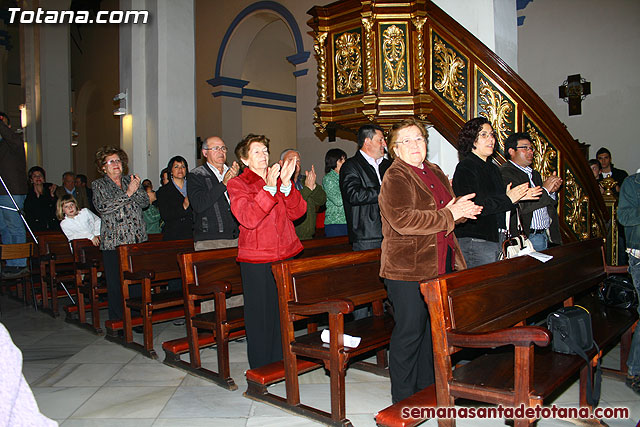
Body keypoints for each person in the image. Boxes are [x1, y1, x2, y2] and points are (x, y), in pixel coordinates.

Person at [379, 118, 481, 403]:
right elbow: (403, 219)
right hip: (407, 268)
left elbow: (444, 210)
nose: (415, 145)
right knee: (410, 333)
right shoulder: (396, 175)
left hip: (440, 260)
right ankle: (402, 399)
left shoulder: (433, 170)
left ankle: (425, 390)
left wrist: (459, 210)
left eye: (419, 138)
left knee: (431, 333)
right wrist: (450, 214)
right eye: (407, 140)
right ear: (395, 149)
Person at [227, 134, 306, 369]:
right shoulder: (238, 184)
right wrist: (270, 188)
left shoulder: (277, 179)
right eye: (257, 152)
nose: (264, 155)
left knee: (282, 314)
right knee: (260, 318)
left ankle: (282, 363)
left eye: (265, 151)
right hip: (257, 259)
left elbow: (298, 212)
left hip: (284, 255)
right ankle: (262, 368)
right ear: (244, 159)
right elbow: (248, 218)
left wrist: (285, 185)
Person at [452, 117, 541, 267]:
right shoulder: (466, 167)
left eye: (492, 134)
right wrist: (508, 199)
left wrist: (518, 197)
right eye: (484, 135)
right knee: (482, 288)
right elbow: (474, 207)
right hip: (477, 240)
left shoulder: (492, 168)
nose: (491, 139)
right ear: (472, 140)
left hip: (497, 238)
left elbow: (500, 203)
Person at [92, 146, 149, 321]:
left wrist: (135, 188)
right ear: (103, 167)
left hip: (136, 240)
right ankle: (118, 321)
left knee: (137, 283)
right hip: (113, 243)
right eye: (111, 161)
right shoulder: (99, 185)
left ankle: (137, 320)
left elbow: (145, 202)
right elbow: (104, 207)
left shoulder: (129, 180)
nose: (116, 164)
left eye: (118, 160)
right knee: (116, 284)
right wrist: (129, 192)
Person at [501, 133, 562, 251]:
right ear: (511, 151)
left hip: (544, 233)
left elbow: (547, 204)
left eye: (531, 148)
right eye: (524, 148)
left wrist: (552, 191)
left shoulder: (534, 174)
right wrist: (545, 190)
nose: (530, 151)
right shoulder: (506, 173)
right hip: (528, 237)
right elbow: (522, 206)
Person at [340, 124, 392, 251]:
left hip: (392, 230)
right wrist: (387, 190)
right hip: (367, 235)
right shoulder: (351, 166)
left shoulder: (389, 165)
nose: (384, 144)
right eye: (380, 140)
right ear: (367, 142)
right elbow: (354, 195)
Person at [188, 136, 240, 251]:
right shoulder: (197, 175)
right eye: (216, 148)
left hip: (237, 236)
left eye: (223, 148)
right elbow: (199, 205)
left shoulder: (235, 173)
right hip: (210, 239)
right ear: (205, 153)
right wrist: (223, 184)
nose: (221, 151)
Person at [0, 111, 28, 279]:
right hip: (1, 191)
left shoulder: (14, 141)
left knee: (14, 226)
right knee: (4, 228)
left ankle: (19, 263)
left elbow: (13, 140)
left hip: (12, 191)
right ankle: (11, 262)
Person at [280, 149, 326, 240]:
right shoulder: (279, 183)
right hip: (287, 238)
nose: (295, 163)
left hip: (309, 236)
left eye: (297, 160)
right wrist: (308, 189)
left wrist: (314, 187)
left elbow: (322, 200)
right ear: (281, 163)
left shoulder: (306, 180)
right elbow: (290, 204)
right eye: (290, 160)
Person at [156, 156, 193, 241]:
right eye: (176, 167)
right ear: (171, 171)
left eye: (183, 167)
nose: (180, 169)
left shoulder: (193, 187)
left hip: (193, 233)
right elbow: (166, 215)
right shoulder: (164, 191)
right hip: (174, 234)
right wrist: (183, 206)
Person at [23, 166, 60, 232]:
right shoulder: (28, 192)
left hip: (51, 224)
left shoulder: (50, 189)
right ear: (31, 180)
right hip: (35, 226)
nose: (38, 178)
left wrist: (52, 196)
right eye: (35, 176)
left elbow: (56, 207)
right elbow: (28, 210)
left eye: (40, 175)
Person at [322, 148, 348, 237]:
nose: (344, 163)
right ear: (333, 162)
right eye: (341, 160)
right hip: (335, 223)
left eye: (345, 160)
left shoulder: (346, 177)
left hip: (349, 220)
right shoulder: (329, 179)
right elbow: (338, 201)